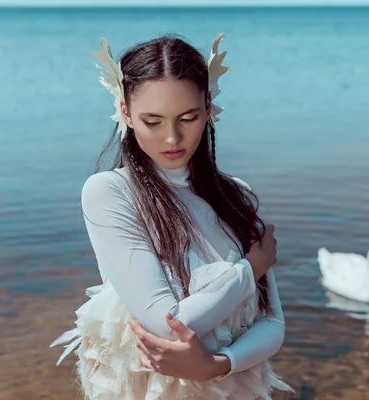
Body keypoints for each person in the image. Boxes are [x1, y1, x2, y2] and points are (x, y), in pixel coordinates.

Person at [50, 33, 291, 400]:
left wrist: (217, 364)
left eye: (188, 117)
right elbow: (169, 324)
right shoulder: (109, 192)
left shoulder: (236, 196)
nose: (172, 138)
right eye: (153, 121)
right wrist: (250, 267)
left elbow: (273, 323)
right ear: (125, 112)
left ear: (208, 107)